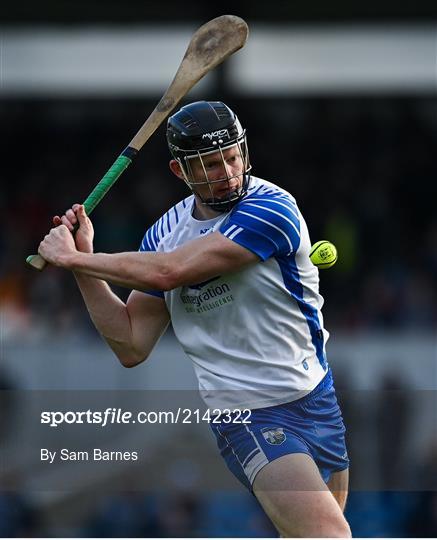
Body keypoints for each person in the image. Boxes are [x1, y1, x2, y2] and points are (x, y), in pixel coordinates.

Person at [39, 101, 351, 537]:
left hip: (317, 399)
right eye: (208, 163)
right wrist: (81, 265)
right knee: (329, 535)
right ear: (179, 171)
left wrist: (77, 258)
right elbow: (131, 343)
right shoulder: (164, 235)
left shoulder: (272, 210)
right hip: (249, 415)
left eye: (232, 156)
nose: (226, 171)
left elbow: (172, 272)